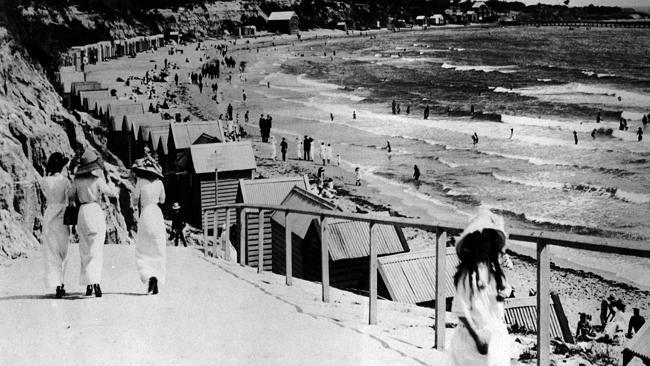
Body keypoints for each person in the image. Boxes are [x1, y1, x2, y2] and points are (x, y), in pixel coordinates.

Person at [448, 208, 512, 366]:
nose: (484, 246)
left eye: (488, 241)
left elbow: (505, 289)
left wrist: (504, 292)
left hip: (495, 331)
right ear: (472, 245)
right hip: (473, 336)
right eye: (480, 241)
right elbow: (461, 308)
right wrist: (477, 337)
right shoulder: (468, 274)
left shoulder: (493, 271)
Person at [71, 150, 119, 298]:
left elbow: (71, 198)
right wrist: (111, 181)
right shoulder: (97, 180)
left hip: (82, 212)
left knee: (85, 249)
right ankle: (96, 282)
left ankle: (88, 283)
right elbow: (112, 193)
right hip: (94, 211)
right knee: (96, 249)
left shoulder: (77, 181)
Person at [131, 156, 166, 295]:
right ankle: (156, 277)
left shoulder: (140, 183)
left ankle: (149, 275)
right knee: (158, 247)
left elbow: (134, 200)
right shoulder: (159, 184)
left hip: (145, 213)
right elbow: (163, 201)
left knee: (145, 247)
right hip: (156, 213)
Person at [42, 152, 72, 299]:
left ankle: (57, 283)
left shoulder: (44, 180)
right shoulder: (65, 181)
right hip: (62, 215)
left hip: (49, 215)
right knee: (63, 251)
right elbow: (70, 199)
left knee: (51, 251)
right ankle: (62, 282)